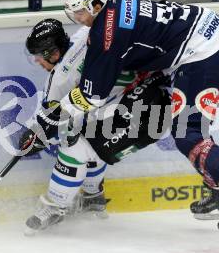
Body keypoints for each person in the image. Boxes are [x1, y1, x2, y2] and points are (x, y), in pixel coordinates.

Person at [35, 0, 219, 236]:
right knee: (193, 131)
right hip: (209, 36)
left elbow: (91, 96)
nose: (77, 18)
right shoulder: (118, 1)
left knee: (188, 135)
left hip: (201, 55)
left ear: (96, 5)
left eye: (80, 12)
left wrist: (53, 118)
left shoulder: (106, 34)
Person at [20, 18, 170, 234]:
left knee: (74, 145)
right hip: (152, 99)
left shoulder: (60, 78)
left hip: (142, 114)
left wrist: (37, 136)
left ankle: (56, 206)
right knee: (90, 131)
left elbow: (50, 122)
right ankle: (92, 198)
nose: (36, 61)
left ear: (52, 53)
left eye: (38, 56)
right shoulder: (85, 34)